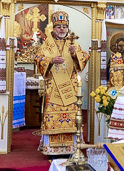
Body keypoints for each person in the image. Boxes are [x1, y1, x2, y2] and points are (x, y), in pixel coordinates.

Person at [35, 10, 90, 157]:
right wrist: (51, 60)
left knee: (71, 117)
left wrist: (74, 53)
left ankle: (71, 148)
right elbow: (38, 59)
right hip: (53, 87)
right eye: (59, 26)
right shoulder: (47, 44)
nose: (62, 29)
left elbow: (85, 57)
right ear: (53, 28)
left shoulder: (72, 42)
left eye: (64, 27)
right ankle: (51, 149)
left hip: (70, 87)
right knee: (52, 115)